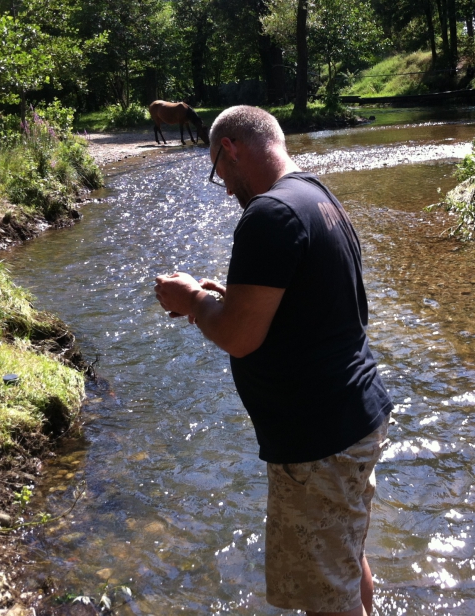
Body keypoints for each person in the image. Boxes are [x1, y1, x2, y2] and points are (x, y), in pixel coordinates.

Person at [154, 105, 393, 616]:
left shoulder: (267, 214)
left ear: (231, 148)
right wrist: (224, 300)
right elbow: (303, 304)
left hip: (318, 443)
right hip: (352, 418)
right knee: (342, 564)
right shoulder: (313, 194)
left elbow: (240, 336)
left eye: (217, 169)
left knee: (325, 595)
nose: (222, 186)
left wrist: (192, 300)